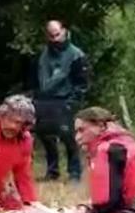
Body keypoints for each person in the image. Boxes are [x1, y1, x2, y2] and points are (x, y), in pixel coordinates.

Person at [29, 20, 90, 183]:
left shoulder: (76, 55)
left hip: (65, 100)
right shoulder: (43, 55)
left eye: (57, 34)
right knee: (45, 136)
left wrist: (73, 101)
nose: (55, 39)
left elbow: (82, 83)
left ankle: (74, 173)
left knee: (68, 137)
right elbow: (36, 78)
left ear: (64, 31)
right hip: (44, 100)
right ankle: (52, 171)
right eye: (51, 35)